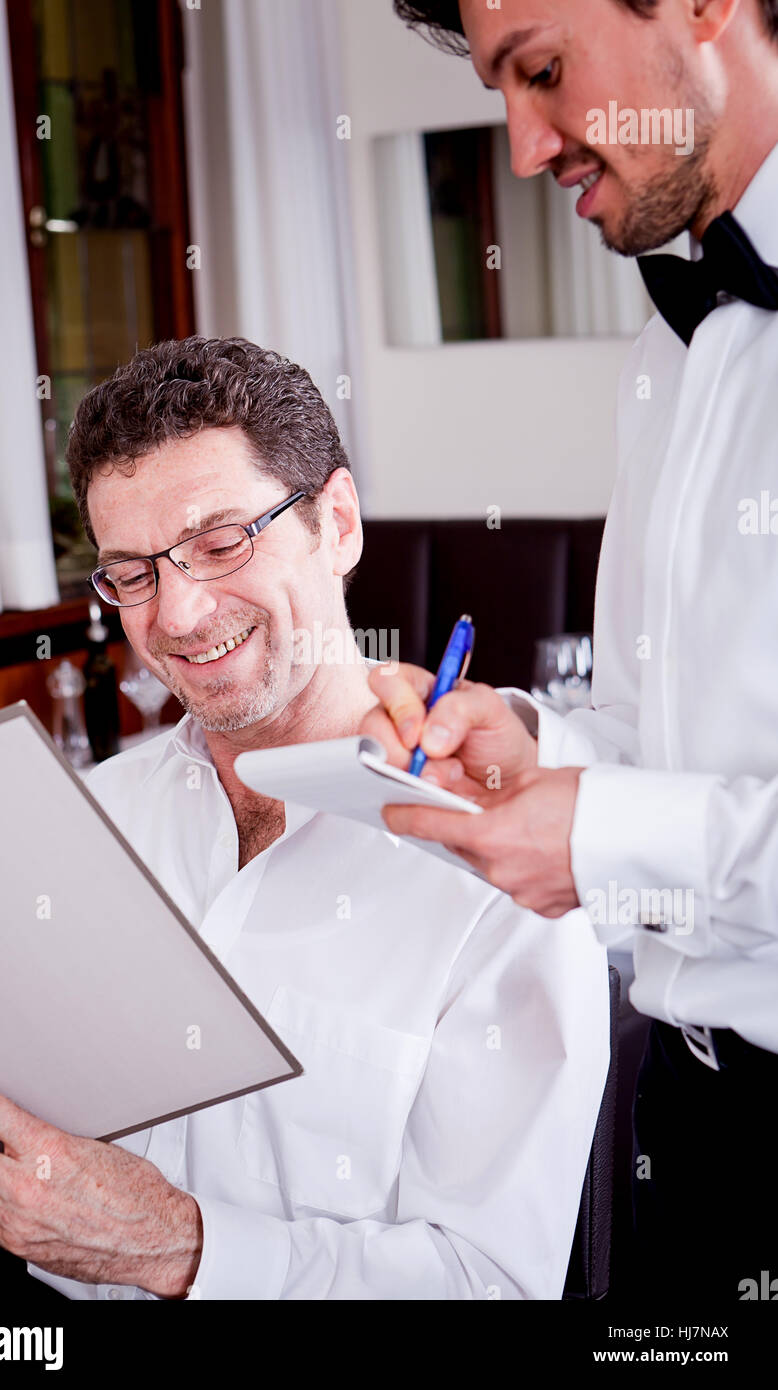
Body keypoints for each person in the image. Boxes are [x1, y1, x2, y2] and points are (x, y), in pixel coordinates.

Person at [0, 336, 609, 1301]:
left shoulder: (505, 867)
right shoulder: (91, 825)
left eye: (221, 542)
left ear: (339, 523)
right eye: (135, 573)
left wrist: (182, 1250)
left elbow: (489, 1284)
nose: (183, 613)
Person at [365, 0, 778, 1298]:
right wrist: (538, 744)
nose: (527, 149)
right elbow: (688, 743)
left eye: (540, 71)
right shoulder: (672, 347)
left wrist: (594, 834)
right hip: (695, 1118)